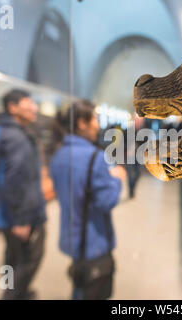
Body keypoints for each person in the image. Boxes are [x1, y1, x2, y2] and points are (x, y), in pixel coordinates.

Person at [51, 100, 126, 300]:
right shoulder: (95, 158)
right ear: (81, 123)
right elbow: (106, 201)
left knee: (81, 288)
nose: (98, 124)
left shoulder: (59, 155)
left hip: (73, 237)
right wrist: (117, 180)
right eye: (94, 118)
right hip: (94, 242)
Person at [0, 89, 46, 300]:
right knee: (29, 259)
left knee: (11, 257)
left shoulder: (0, 131)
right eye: (29, 104)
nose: (34, 108)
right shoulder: (16, 137)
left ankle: (10, 291)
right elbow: (15, 181)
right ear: (13, 107)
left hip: (3, 212)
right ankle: (12, 295)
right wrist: (21, 219)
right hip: (17, 215)